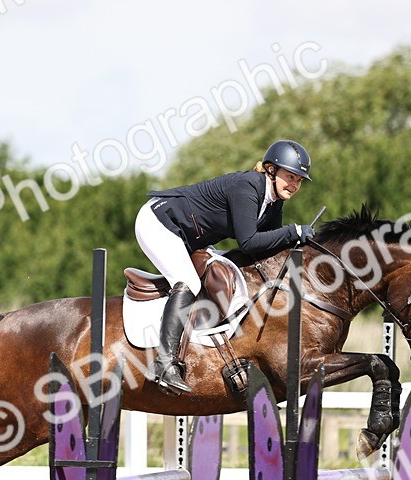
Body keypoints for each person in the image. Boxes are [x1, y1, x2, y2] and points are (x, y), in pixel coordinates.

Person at [135, 139, 315, 394]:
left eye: (299, 180)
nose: (295, 185)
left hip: (188, 236)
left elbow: (266, 251)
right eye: (290, 177)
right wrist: (292, 231)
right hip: (158, 222)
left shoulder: (273, 201)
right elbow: (249, 242)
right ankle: (164, 364)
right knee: (188, 281)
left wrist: (299, 245)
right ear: (271, 170)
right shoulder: (248, 186)